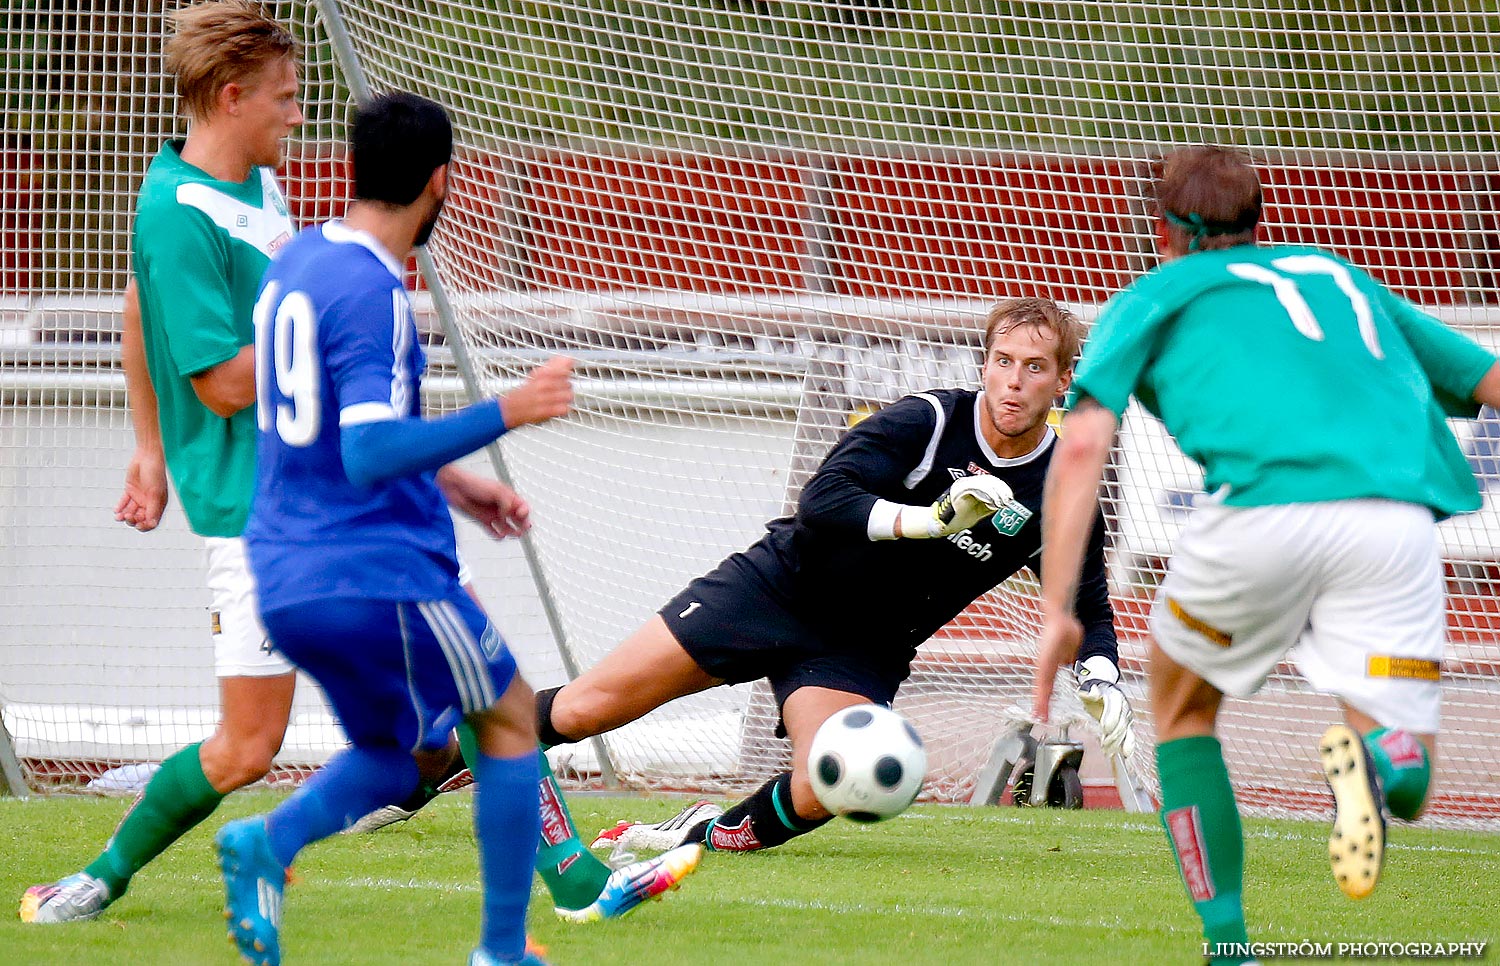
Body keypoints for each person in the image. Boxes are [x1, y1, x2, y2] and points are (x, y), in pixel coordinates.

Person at [1032, 145, 1500, 966]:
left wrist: (1057, 610)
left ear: (1162, 231)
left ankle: (1228, 945)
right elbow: (1487, 377)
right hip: (1394, 525)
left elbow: (1080, 450)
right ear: (1259, 223)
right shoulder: (1339, 276)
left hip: (1259, 516)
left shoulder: (1153, 295)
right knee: (1406, 762)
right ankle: (1382, 760)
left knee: (1181, 708)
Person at [539, 296, 1136, 857]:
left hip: (862, 646)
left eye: (1034, 367)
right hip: (777, 588)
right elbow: (821, 500)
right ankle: (447, 756)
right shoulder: (926, 421)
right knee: (583, 711)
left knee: (841, 778)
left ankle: (706, 831)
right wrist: (928, 520)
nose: (1014, 380)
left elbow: (1086, 608)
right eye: (1002, 361)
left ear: (1062, 383)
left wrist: (1104, 677)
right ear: (984, 365)